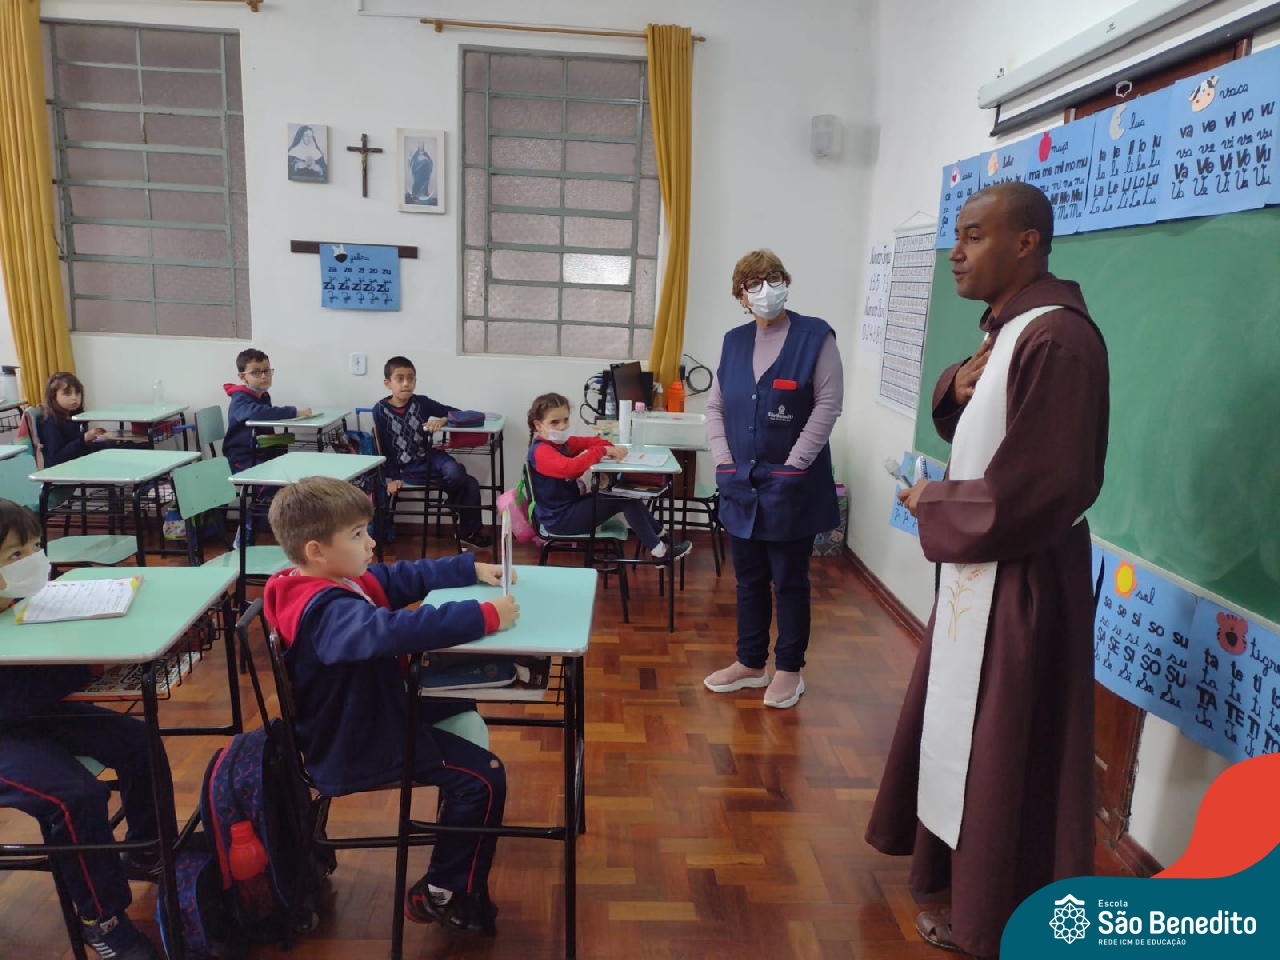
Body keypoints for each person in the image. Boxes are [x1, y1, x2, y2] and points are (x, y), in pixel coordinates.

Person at [865, 182, 1109, 958]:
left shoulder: (1056, 338)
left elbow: (1045, 484)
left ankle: (997, 913)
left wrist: (934, 502)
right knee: (967, 731)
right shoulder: (1009, 332)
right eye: (956, 237)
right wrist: (956, 383)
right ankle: (958, 883)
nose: (955, 254)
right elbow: (985, 424)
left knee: (1005, 744)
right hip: (988, 573)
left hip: (1023, 581)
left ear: (1027, 242)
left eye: (973, 236)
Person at [262, 476, 519, 934]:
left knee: (457, 701)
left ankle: (458, 830)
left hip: (367, 711)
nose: (371, 543)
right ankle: (441, 891)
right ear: (316, 550)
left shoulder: (325, 580)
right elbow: (392, 631)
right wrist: (483, 615)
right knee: (485, 778)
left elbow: (399, 578)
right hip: (358, 741)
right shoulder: (326, 612)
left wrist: (470, 569)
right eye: (357, 535)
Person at [0, 499, 175, 960]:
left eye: (35, 547)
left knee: (138, 742)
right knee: (75, 797)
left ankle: (148, 848)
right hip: (7, 728)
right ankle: (102, 918)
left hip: (34, 714)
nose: (32, 560)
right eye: (15, 554)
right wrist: (90, 666)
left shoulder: (25, 597)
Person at [702, 250, 844, 710]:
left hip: (791, 485)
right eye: (755, 284)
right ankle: (750, 663)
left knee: (789, 580)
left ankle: (789, 670)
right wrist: (724, 461)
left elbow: (827, 405)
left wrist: (796, 464)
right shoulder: (733, 342)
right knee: (748, 579)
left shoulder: (815, 337)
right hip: (741, 483)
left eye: (774, 278)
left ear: (786, 282)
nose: (766, 290)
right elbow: (715, 406)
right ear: (741, 296)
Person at [525, 392, 691, 561]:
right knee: (624, 500)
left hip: (568, 509)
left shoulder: (562, 444)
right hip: (559, 519)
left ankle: (662, 539)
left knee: (626, 495)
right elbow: (570, 469)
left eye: (565, 420)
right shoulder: (541, 451)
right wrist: (602, 451)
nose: (562, 427)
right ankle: (660, 552)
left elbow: (593, 441)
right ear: (538, 425)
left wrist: (611, 448)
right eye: (554, 422)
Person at [372, 356, 492, 551]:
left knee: (456, 472)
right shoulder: (380, 410)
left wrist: (442, 420)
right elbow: (385, 447)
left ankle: (453, 504)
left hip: (430, 456)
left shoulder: (422, 402)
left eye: (411, 378)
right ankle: (469, 532)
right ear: (387, 383)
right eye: (399, 379)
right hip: (408, 467)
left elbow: (456, 413)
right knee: (470, 483)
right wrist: (393, 477)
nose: (406, 383)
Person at [222, 348, 311, 474]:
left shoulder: (263, 396)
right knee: (278, 477)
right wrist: (294, 412)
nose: (264, 376)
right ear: (242, 377)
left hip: (262, 452)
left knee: (295, 469)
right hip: (242, 458)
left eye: (266, 371)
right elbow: (257, 413)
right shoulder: (240, 399)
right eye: (256, 373)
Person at [37, 372, 115, 467]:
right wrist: (84, 438)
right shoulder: (50, 422)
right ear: (53, 396)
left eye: (77, 393)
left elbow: (79, 448)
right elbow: (56, 459)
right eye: (67, 393)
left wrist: (101, 440)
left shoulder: (75, 417)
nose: (74, 398)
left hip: (78, 463)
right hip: (64, 471)